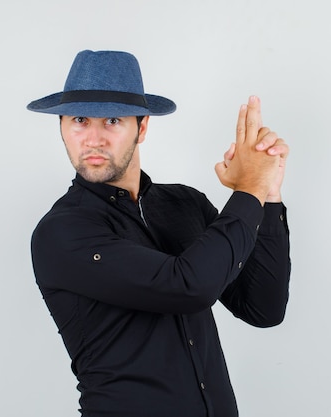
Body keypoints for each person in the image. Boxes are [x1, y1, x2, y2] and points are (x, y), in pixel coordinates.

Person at [27, 50, 291, 417]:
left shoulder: (185, 203)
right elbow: (187, 285)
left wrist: (267, 193)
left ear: (143, 127)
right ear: (61, 126)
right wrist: (248, 191)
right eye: (80, 120)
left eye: (113, 120)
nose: (94, 139)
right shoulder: (62, 233)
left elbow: (263, 309)